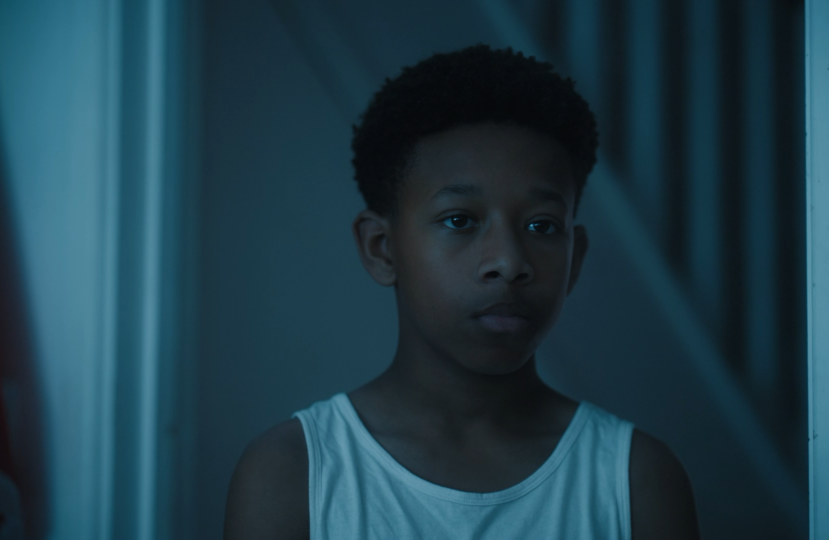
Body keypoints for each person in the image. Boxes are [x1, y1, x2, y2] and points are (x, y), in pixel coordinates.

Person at [223, 44, 700, 540]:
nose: (509, 262)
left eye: (541, 226)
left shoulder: (633, 480)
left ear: (574, 259)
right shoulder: (293, 474)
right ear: (382, 249)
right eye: (460, 220)